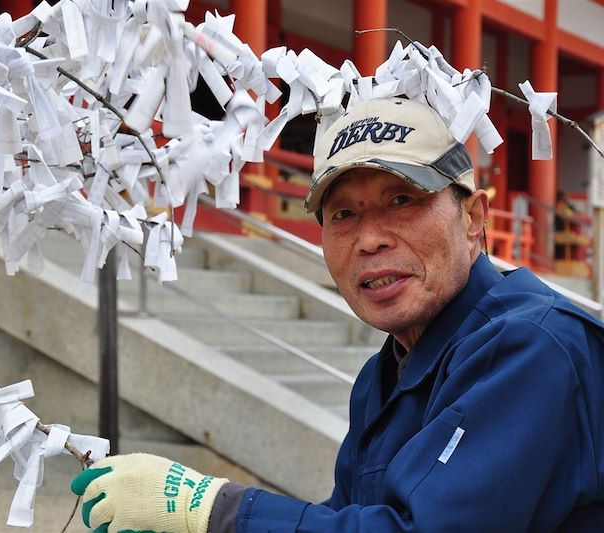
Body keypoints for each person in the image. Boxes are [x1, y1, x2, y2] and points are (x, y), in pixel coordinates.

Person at [70, 98, 604, 532]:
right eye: (344, 214)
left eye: (402, 200)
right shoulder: (384, 372)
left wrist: (213, 509)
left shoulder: (533, 348)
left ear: (473, 217)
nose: (370, 239)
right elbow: (350, 519)